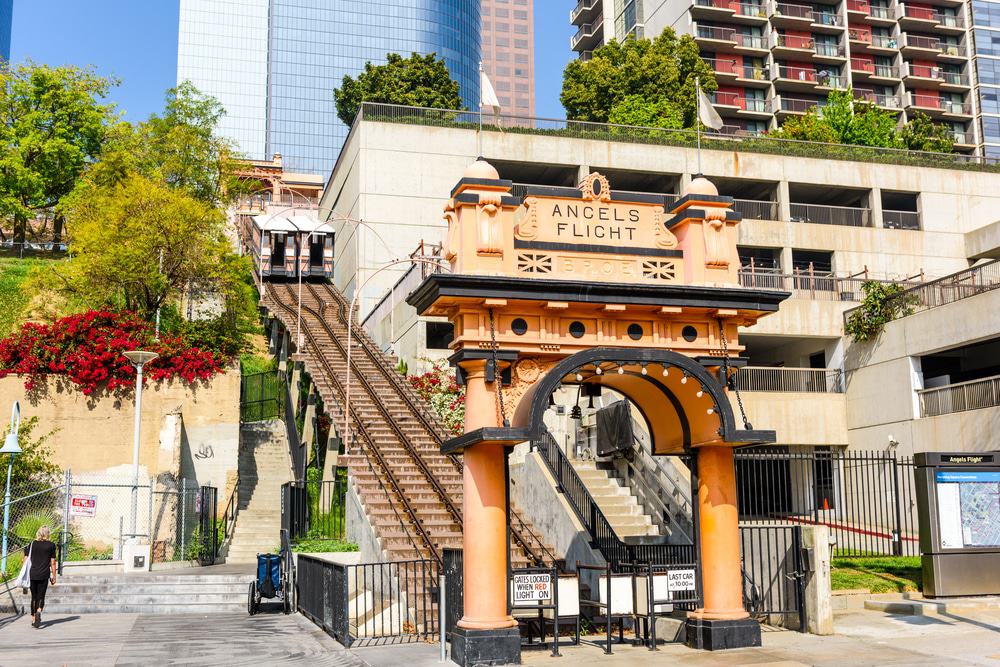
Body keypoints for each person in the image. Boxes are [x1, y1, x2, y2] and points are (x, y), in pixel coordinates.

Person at [23, 525, 57, 628]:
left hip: (32, 574)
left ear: (38, 533)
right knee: (41, 596)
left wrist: (24, 575)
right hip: (44, 574)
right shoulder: (51, 545)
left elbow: (24, 561)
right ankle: (38, 611)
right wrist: (54, 576)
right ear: (48, 534)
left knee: (34, 597)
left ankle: (33, 620)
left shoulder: (30, 544)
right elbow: (53, 562)